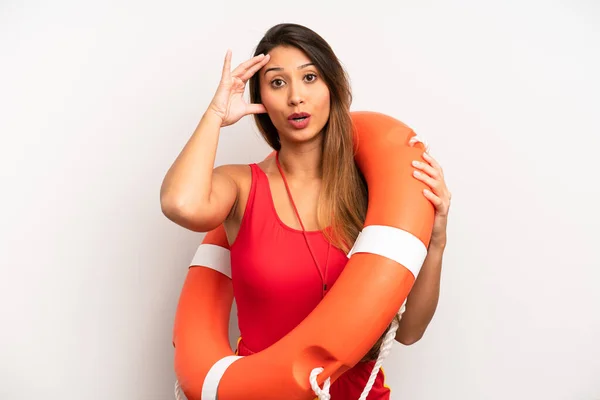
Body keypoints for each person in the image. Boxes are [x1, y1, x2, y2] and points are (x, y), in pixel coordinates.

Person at [161, 23, 451, 399]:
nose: (296, 97)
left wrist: (437, 240)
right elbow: (179, 203)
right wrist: (215, 114)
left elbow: (409, 331)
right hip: (260, 393)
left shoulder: (370, 194)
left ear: (332, 87)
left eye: (309, 77)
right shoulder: (240, 187)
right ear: (260, 97)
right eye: (277, 82)